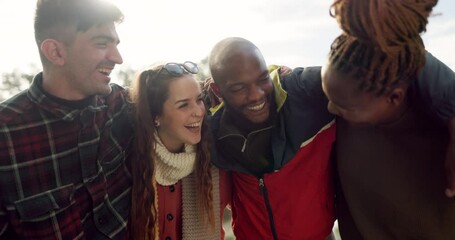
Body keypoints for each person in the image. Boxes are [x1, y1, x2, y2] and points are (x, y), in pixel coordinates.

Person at [0, 0, 133, 239]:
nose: (117, 58)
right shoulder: (5, 135)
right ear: (56, 52)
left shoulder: (124, 106)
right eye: (102, 43)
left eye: (116, 44)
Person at [322, 0, 455, 238]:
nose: (331, 108)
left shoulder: (441, 130)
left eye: (345, 107)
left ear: (394, 98)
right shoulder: (348, 90)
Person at [208, 37, 336, 239]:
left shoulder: (301, 92)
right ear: (217, 90)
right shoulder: (211, 131)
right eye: (239, 88)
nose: (256, 95)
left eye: (262, 79)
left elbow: (351, 72)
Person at [128, 62, 231, 240]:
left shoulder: (214, 161)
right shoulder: (130, 165)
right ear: (156, 117)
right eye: (183, 105)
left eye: (199, 99)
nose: (198, 112)